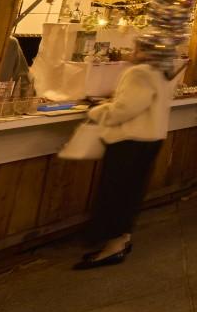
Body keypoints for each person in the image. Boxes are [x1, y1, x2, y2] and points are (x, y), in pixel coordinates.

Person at [74, 39, 174, 268]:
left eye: (136, 48)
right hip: (151, 138)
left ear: (144, 52)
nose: (131, 52)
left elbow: (126, 108)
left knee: (116, 192)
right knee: (131, 192)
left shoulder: (140, 73)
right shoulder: (163, 73)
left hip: (130, 139)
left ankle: (113, 247)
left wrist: (98, 110)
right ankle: (122, 238)